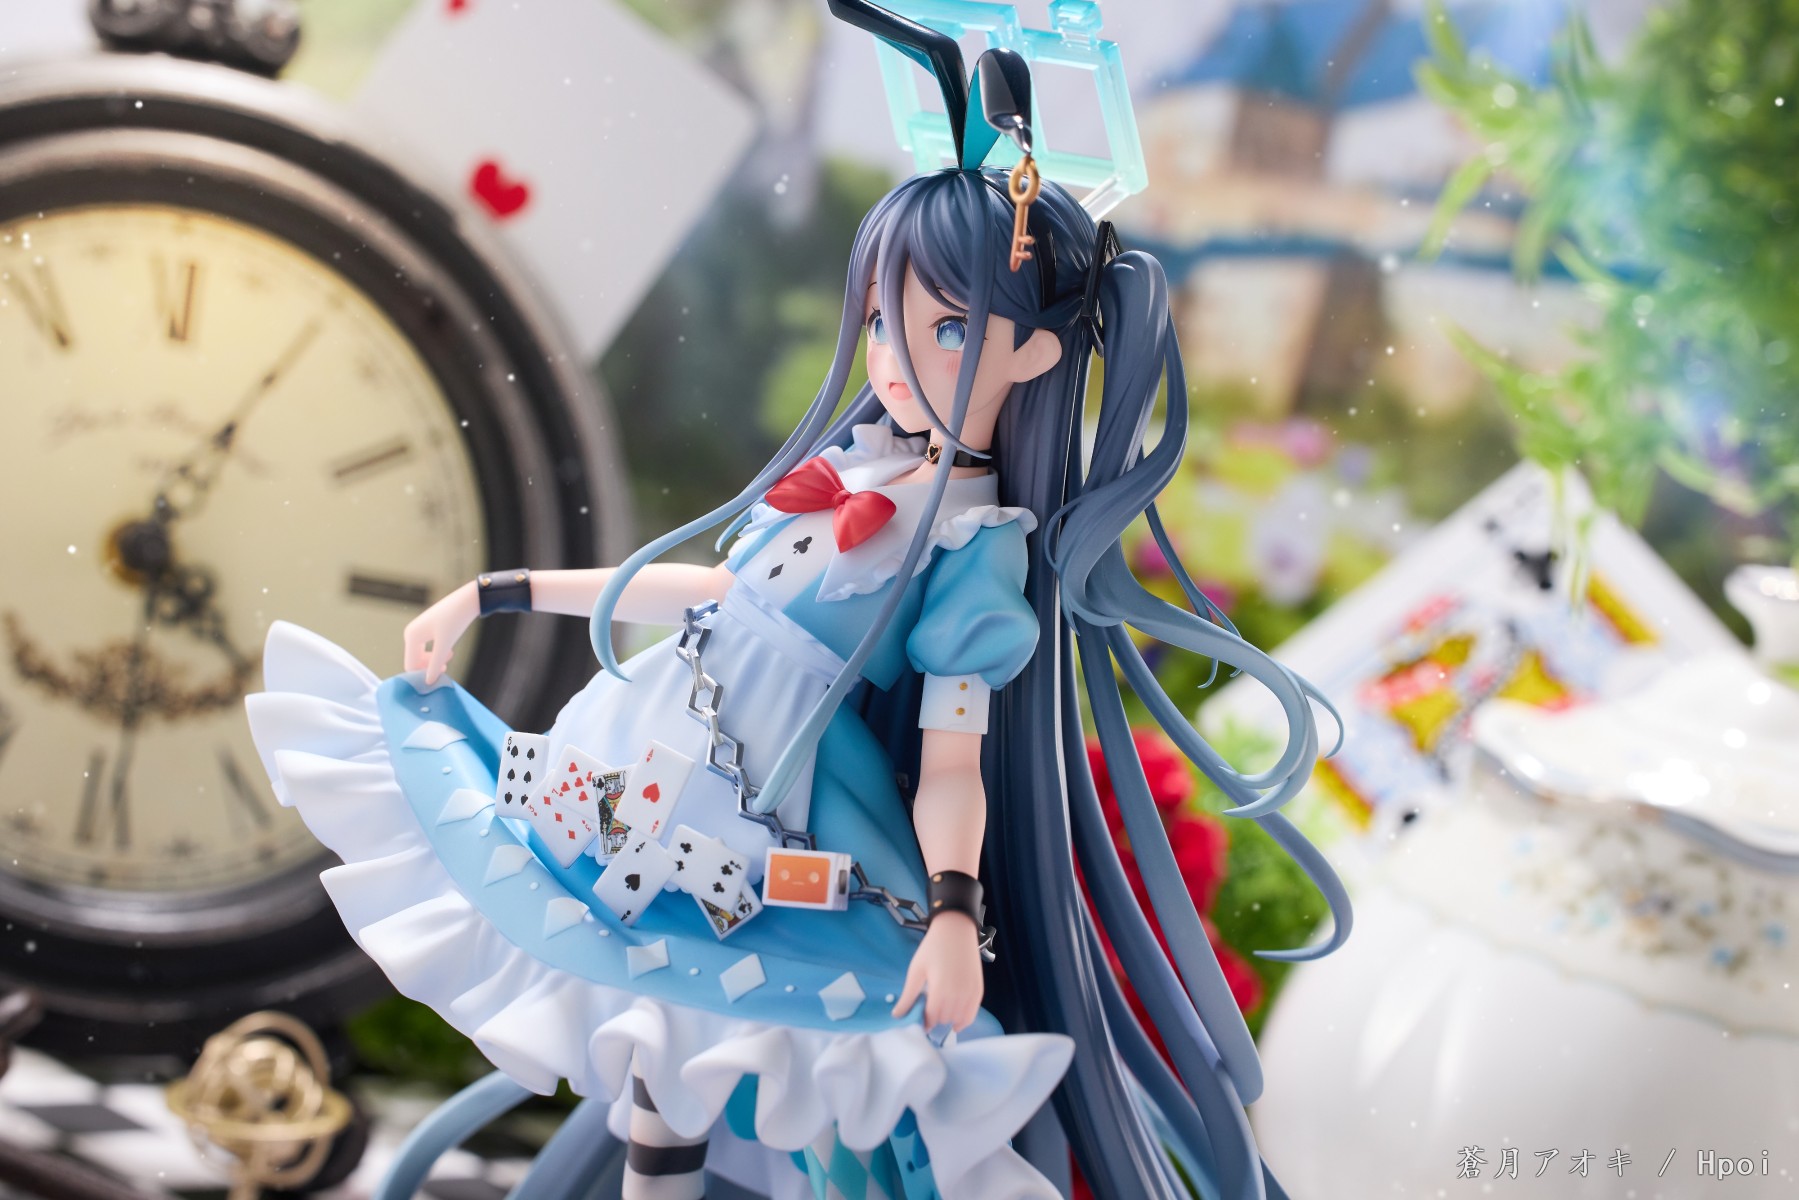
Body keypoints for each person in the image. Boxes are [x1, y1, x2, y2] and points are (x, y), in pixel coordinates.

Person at [247, 165, 1346, 1200]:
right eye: (880, 322)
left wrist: (953, 911)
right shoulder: (855, 466)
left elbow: (953, 760)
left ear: (1033, 354)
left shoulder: (976, 550)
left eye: (947, 329)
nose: (894, 360)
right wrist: (500, 592)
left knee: (683, 1038)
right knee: (646, 1034)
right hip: (648, 746)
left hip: (762, 803)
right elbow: (706, 594)